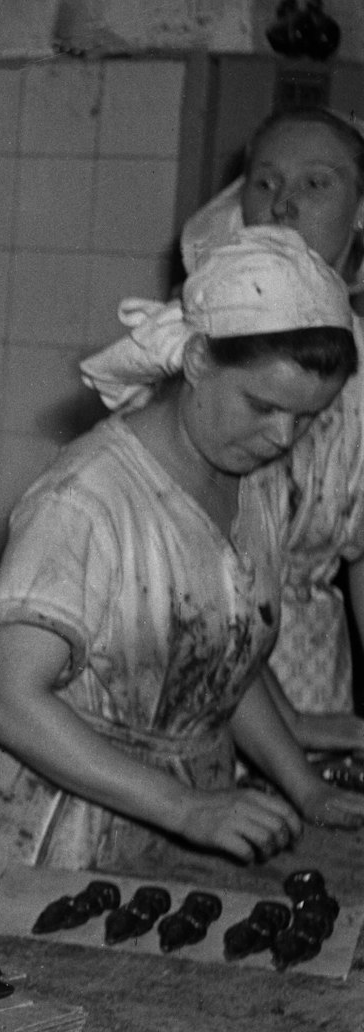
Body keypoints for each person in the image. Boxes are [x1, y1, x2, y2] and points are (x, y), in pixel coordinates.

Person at [0, 227, 364, 913]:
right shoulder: (86, 498)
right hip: (48, 830)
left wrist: (303, 787)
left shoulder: (250, 486)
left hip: (179, 820)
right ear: (196, 359)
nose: (283, 437)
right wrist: (189, 809)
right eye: (263, 405)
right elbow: (9, 700)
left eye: (307, 418)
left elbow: (219, 658)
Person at [181, 108, 364, 748]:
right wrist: (291, 728)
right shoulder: (197, 347)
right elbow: (193, 571)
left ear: (362, 209)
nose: (283, 204)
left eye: (317, 184)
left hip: (314, 671)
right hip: (200, 664)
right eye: (266, 182)